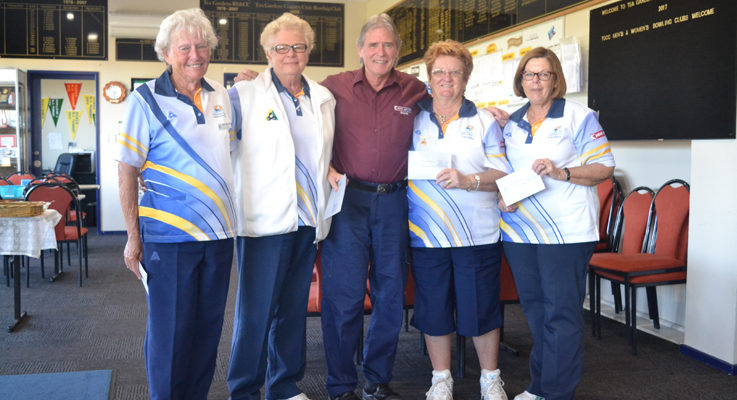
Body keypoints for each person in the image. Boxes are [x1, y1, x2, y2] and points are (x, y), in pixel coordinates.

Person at [115, 8, 236, 400]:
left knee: (207, 332)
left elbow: (231, 154)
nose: (195, 55)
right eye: (184, 48)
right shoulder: (144, 100)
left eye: (202, 46)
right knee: (171, 333)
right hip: (169, 239)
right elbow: (127, 170)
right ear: (166, 54)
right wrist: (133, 237)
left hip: (219, 236)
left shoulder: (222, 95)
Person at [226, 12, 336, 400]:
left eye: (298, 46)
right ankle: (244, 389)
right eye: (281, 47)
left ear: (308, 50)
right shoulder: (243, 95)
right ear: (268, 53)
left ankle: (284, 385)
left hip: (307, 222)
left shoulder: (322, 98)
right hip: (263, 225)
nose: (291, 53)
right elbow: (218, 146)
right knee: (256, 313)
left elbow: (321, 154)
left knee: (292, 311)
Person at [319, 14, 428, 400]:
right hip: (348, 202)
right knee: (344, 297)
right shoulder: (333, 87)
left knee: (390, 295)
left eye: (388, 45)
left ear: (398, 51)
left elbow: (451, 108)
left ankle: (378, 379)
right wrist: (255, 83)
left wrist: (490, 114)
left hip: (395, 203)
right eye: (373, 45)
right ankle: (340, 385)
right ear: (360, 49)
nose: (381, 52)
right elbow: (294, 110)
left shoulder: (415, 90)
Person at [499, 47, 615, 400]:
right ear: (520, 80)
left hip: (566, 232)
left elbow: (604, 168)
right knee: (535, 312)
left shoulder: (578, 116)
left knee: (560, 314)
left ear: (555, 80)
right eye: (529, 74)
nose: (535, 81)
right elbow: (504, 172)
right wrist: (503, 196)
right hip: (520, 232)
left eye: (544, 74)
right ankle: (540, 386)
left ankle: (557, 392)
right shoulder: (512, 123)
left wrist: (562, 171)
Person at [408, 39, 510, 400]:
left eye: (455, 72)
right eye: (439, 71)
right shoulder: (410, 117)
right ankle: (441, 379)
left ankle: (490, 379)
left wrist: (469, 180)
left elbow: (504, 173)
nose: (446, 78)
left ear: (466, 78)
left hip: (476, 234)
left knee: (481, 309)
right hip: (426, 235)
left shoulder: (484, 121)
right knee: (434, 310)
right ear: (429, 77)